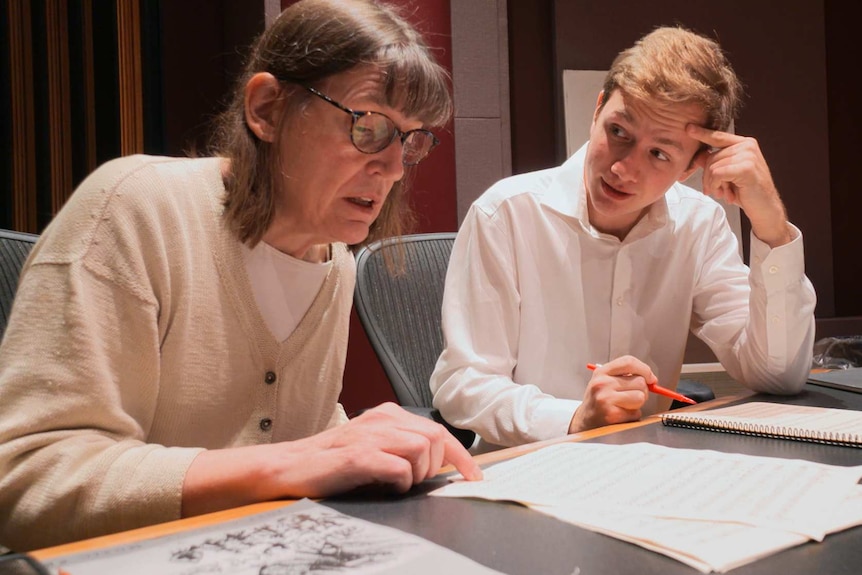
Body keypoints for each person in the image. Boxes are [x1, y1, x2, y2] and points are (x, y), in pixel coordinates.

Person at [0, 0, 482, 551]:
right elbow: (24, 478)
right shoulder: (134, 209)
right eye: (368, 126)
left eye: (412, 139)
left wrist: (357, 446)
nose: (395, 169)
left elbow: (302, 442)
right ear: (268, 109)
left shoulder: (333, 262)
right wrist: (295, 462)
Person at [430, 26, 817, 448]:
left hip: (646, 468)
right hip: (526, 467)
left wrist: (771, 227)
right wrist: (574, 417)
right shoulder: (506, 212)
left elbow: (777, 375)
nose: (623, 169)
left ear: (690, 167)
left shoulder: (698, 224)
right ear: (597, 110)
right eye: (619, 133)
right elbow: (463, 384)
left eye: (659, 154)